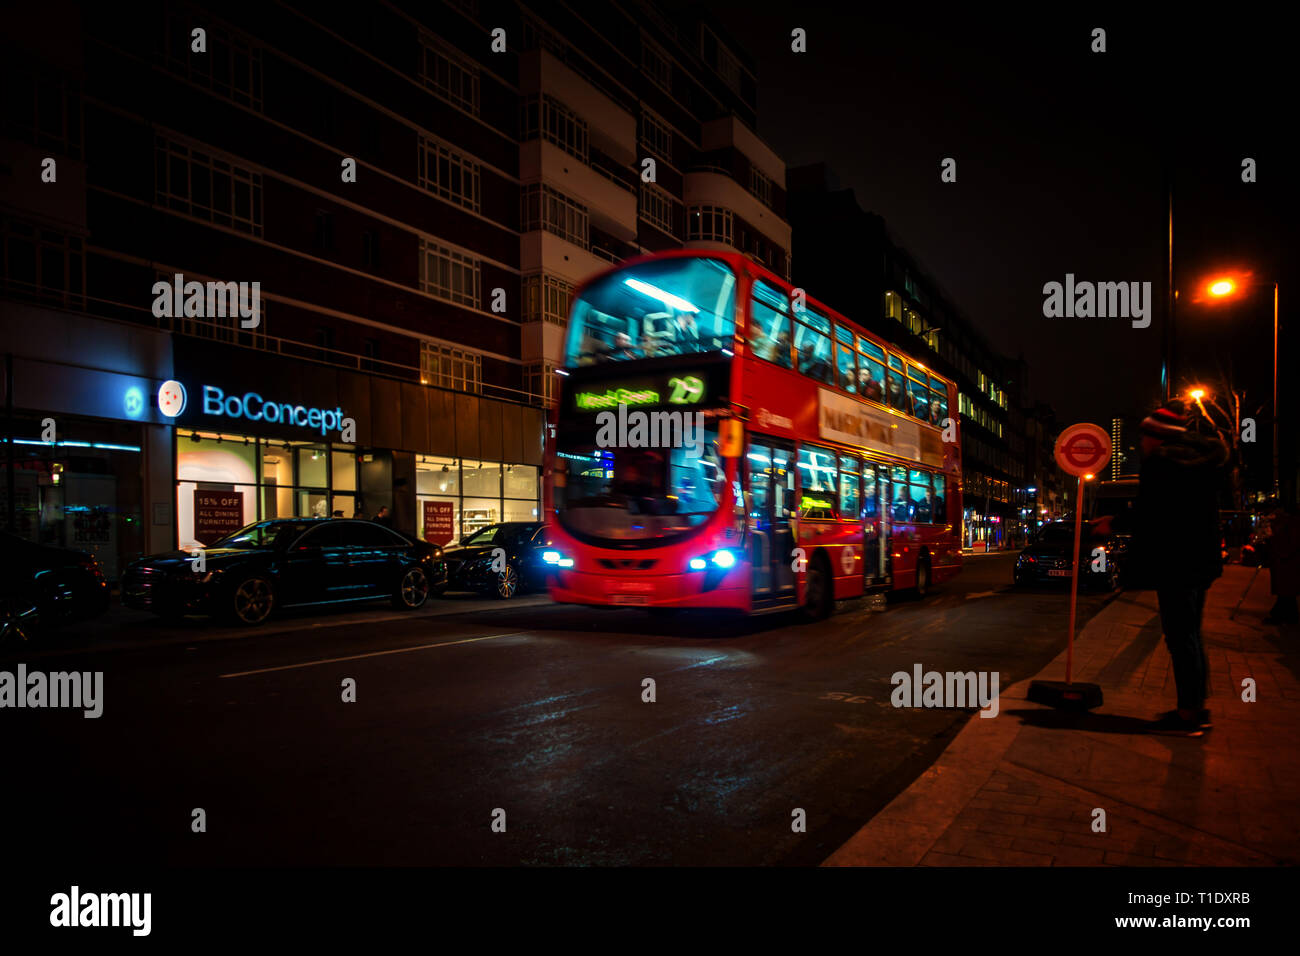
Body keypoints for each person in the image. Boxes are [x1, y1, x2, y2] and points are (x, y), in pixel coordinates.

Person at [1134, 399, 1228, 736]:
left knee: (1180, 638)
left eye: (1145, 436)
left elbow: (1151, 513)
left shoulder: (1163, 464)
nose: (1141, 443)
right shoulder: (1204, 464)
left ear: (1158, 436)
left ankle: (1189, 716)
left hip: (1176, 562)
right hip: (1201, 561)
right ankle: (1195, 709)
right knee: (1191, 637)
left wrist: (1113, 520)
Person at [1262, 502, 1300, 625]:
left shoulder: (1290, 523)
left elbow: (1289, 544)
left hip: (1287, 562)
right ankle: (1288, 615)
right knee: (1287, 592)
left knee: (1286, 590)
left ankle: (1281, 615)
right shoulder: (1287, 522)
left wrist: (1273, 542)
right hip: (1285, 562)